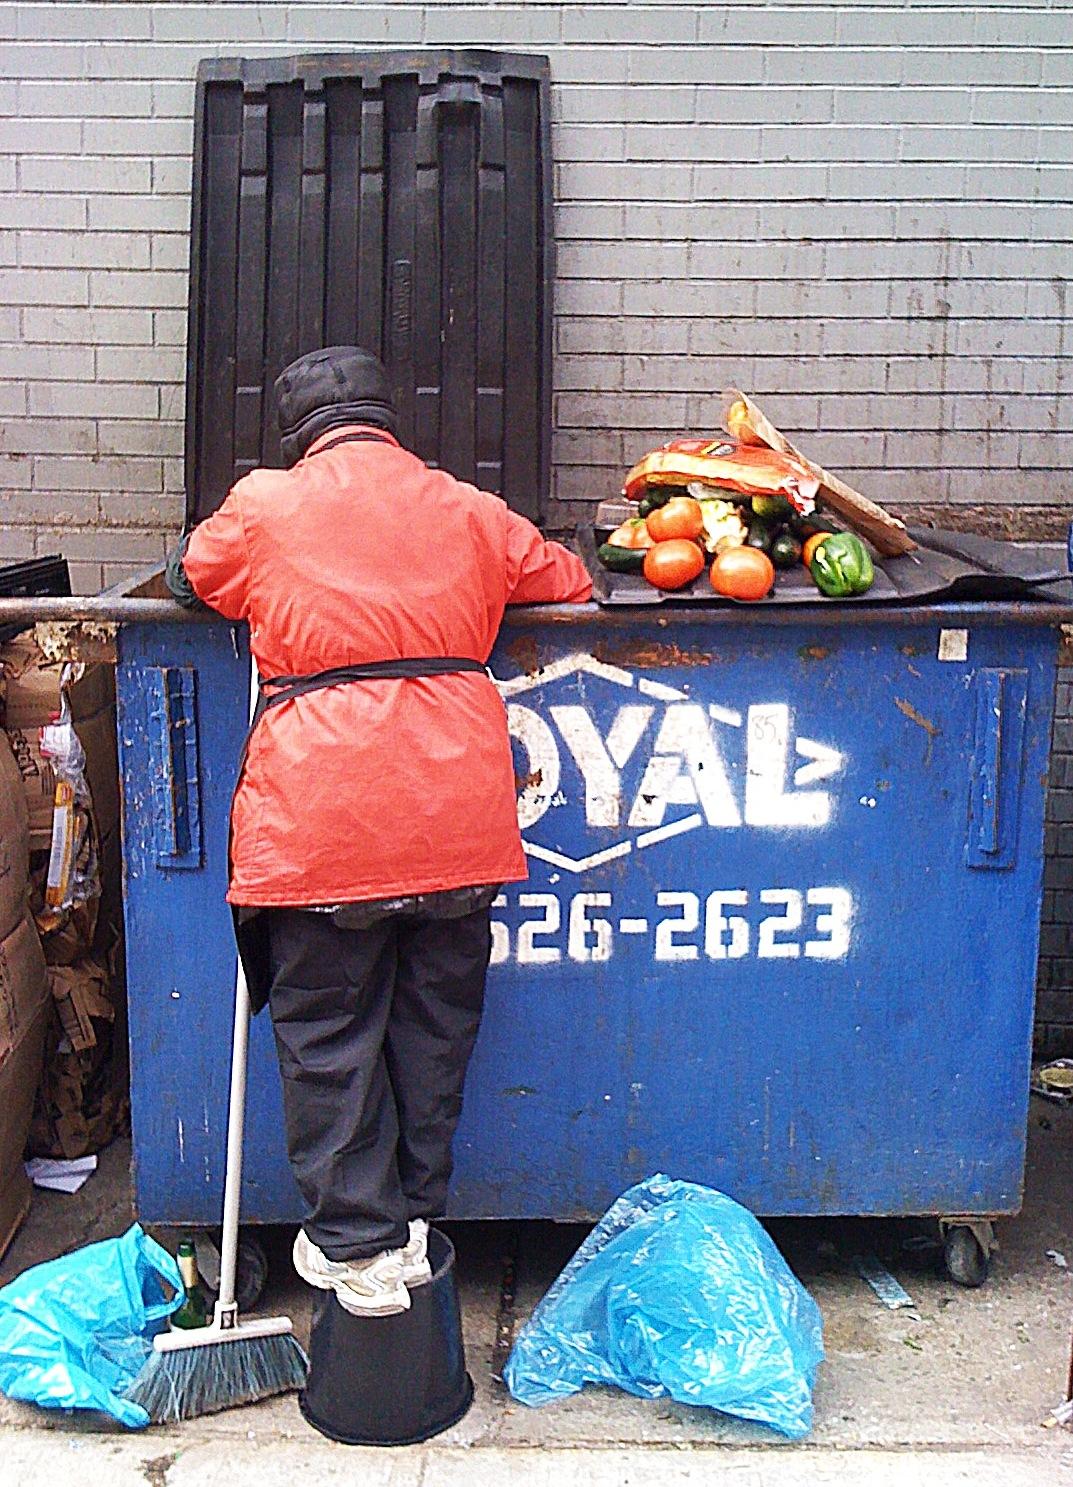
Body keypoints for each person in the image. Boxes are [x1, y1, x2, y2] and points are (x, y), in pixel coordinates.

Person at [167, 345, 591, 1316]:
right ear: (388, 421)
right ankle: (404, 1226)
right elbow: (565, 579)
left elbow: (196, 573)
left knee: (330, 1033)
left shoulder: (266, 505)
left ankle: (357, 1245)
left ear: (299, 434)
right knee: (433, 1030)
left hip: (325, 824)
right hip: (455, 823)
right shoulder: (466, 508)